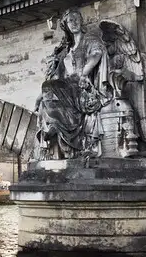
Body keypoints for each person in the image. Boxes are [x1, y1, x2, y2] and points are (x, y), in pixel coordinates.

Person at [35, 9, 112, 160]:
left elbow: (96, 55)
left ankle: (59, 129)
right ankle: (57, 128)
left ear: (81, 21)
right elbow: (56, 77)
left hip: (82, 88)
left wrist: (84, 73)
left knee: (50, 90)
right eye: (71, 20)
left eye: (77, 18)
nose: (75, 22)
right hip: (67, 87)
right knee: (46, 96)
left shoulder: (90, 40)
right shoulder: (65, 52)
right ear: (66, 25)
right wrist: (39, 98)